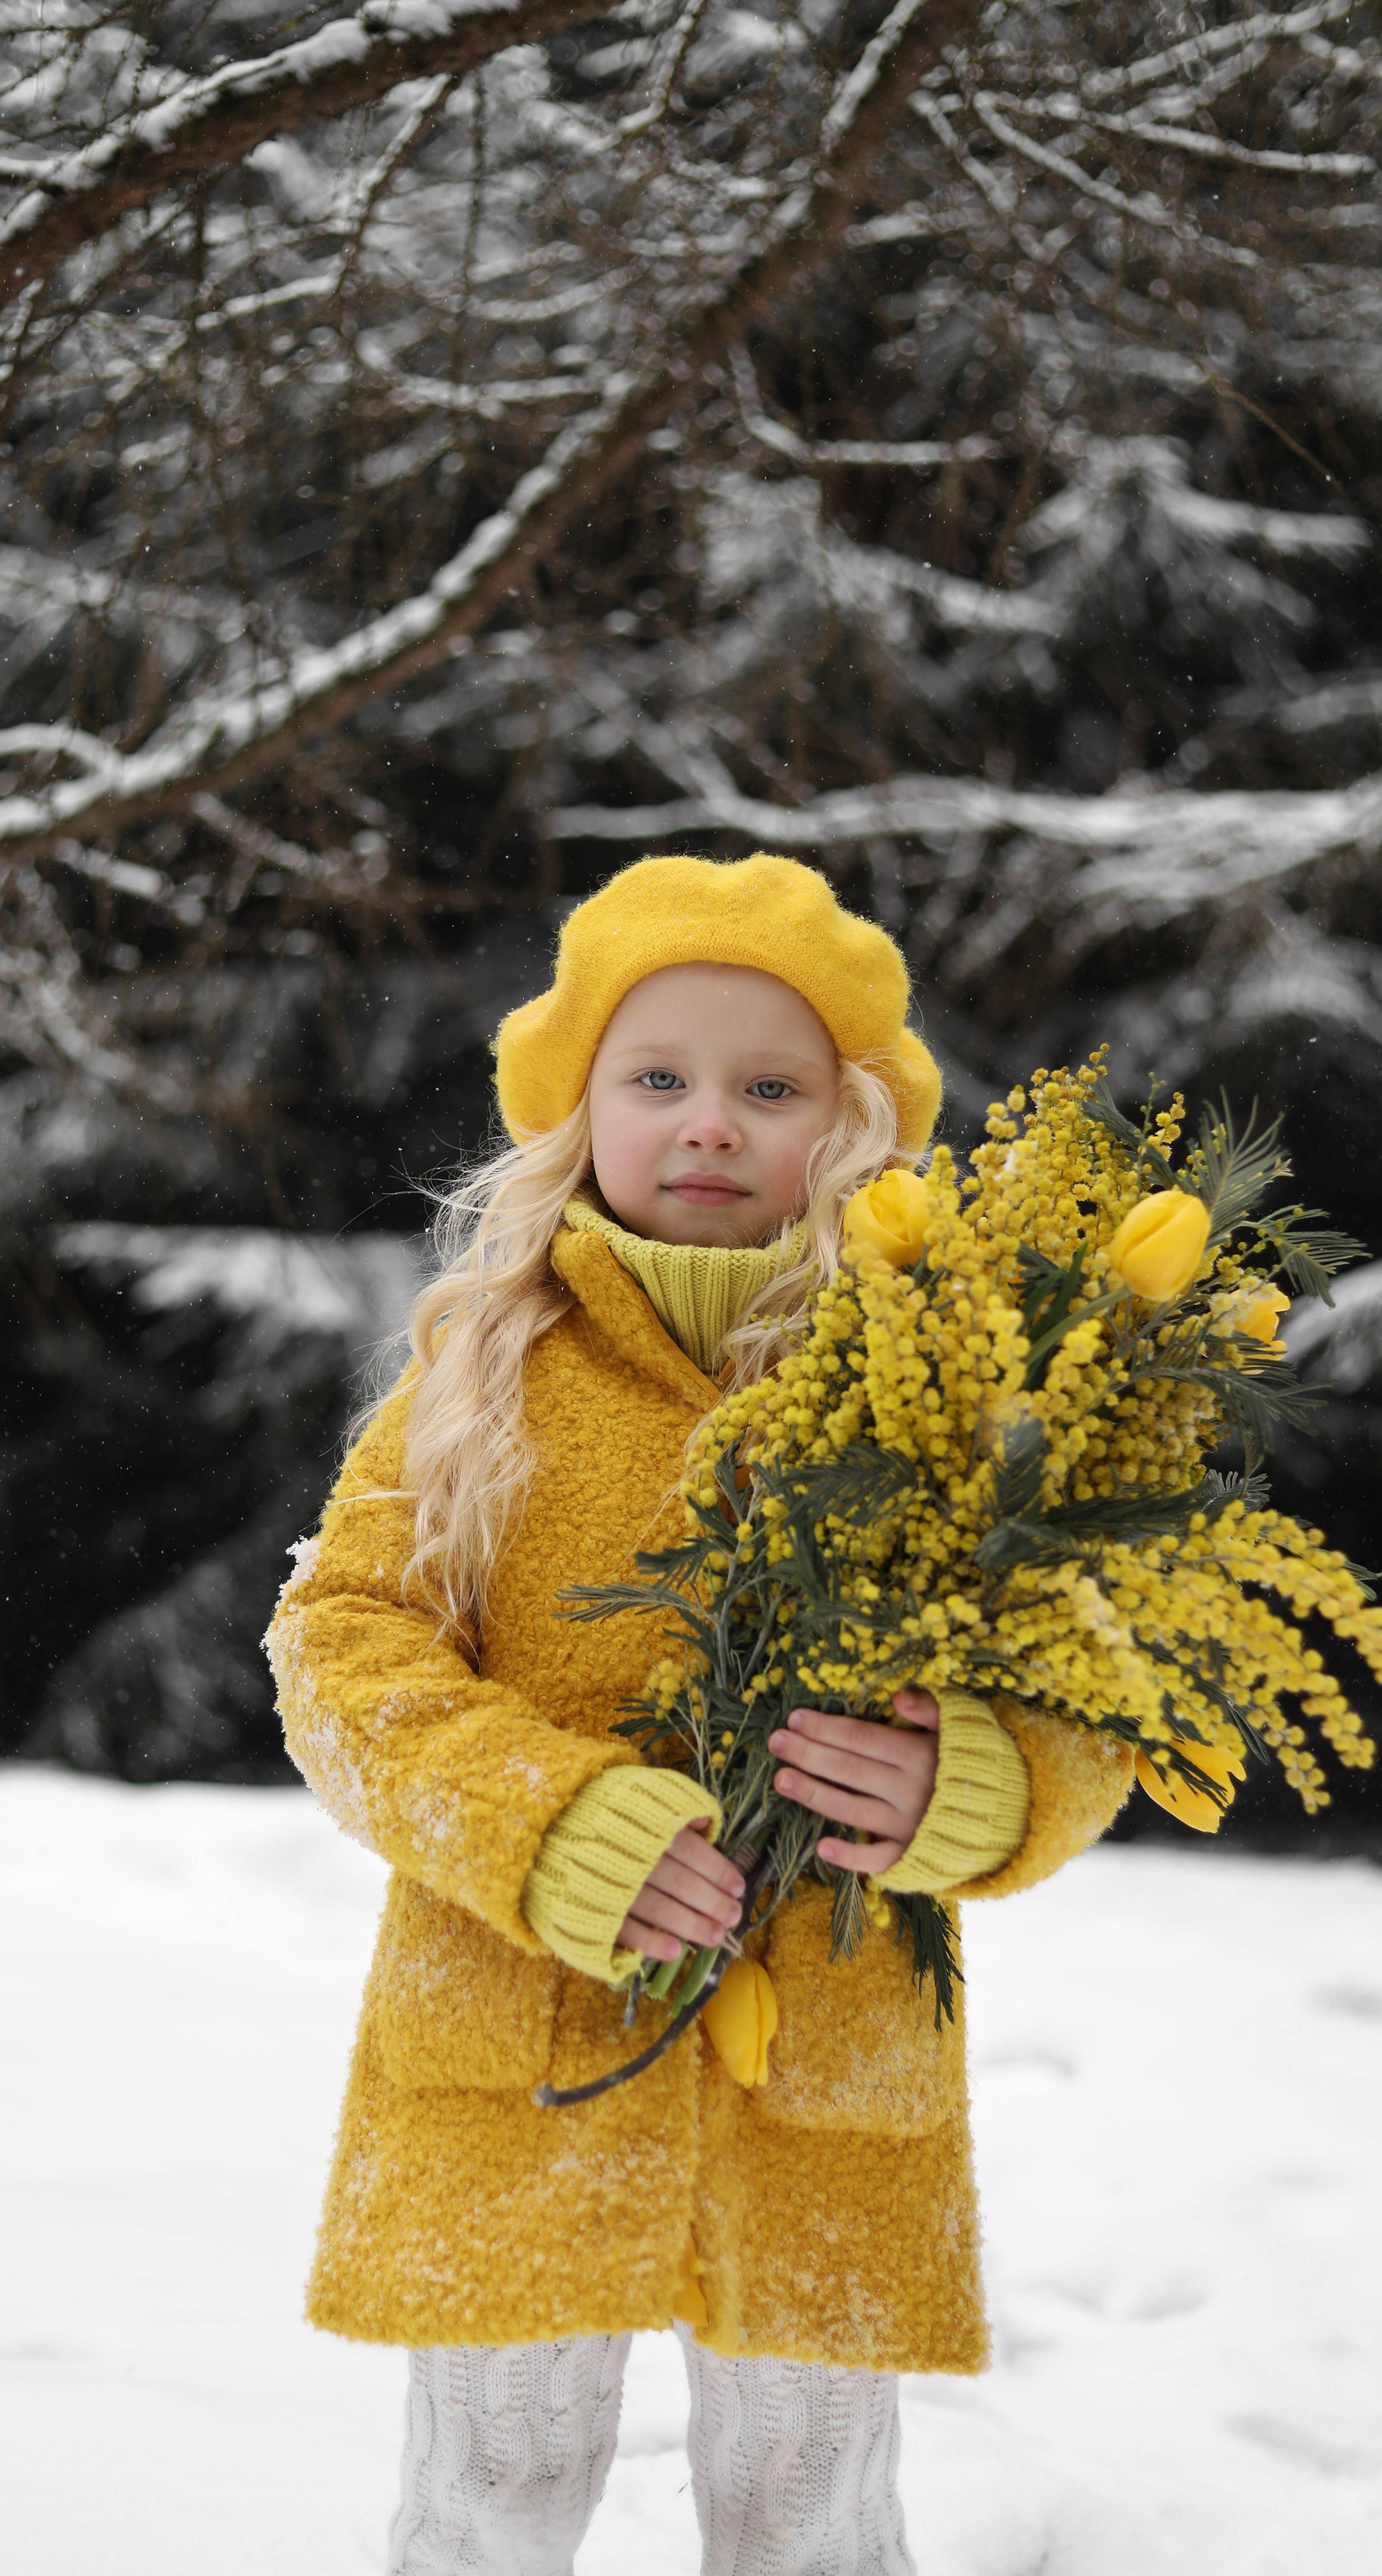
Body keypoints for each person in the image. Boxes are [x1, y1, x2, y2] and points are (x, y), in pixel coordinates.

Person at [266, 854, 1134, 2576]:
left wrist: (971, 1786)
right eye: (656, 1077)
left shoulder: (943, 1387)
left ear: (851, 1125)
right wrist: (539, 1818)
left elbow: (1083, 1686)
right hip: (518, 2038)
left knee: (809, 2512)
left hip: (823, 2047)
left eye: (770, 1089)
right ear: (577, 1108)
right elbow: (339, 1654)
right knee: (490, 2492)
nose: (710, 1123)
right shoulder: (481, 1368)